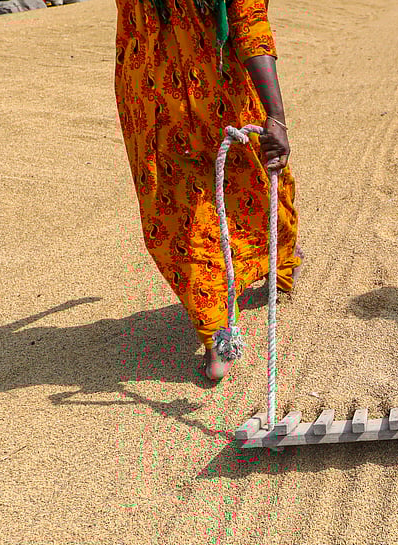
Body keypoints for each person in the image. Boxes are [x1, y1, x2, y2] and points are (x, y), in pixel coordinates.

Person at [114, 0, 300, 380]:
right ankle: (228, 319)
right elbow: (249, 24)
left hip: (152, 94)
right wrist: (275, 117)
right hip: (199, 92)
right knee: (231, 195)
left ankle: (234, 312)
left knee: (186, 217)